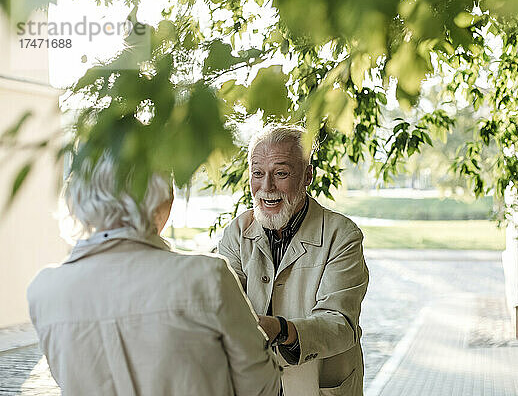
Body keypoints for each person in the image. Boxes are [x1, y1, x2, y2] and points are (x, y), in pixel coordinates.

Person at [27, 155, 281, 396]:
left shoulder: (44, 290)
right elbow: (262, 387)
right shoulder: (206, 278)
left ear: (78, 196)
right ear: (162, 199)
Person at [218, 124, 369, 396]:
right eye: (257, 173)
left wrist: (281, 329)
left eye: (281, 173)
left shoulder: (342, 235)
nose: (267, 187)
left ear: (308, 175)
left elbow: (341, 323)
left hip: (317, 386)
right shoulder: (236, 233)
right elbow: (222, 302)